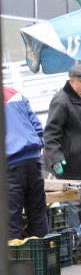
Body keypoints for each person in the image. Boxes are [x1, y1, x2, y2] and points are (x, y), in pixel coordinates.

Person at [43, 63, 81, 221]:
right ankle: (73, 245)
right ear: (72, 81)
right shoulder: (61, 101)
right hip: (67, 171)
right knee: (72, 214)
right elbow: (51, 133)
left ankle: (75, 242)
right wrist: (55, 159)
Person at [5, 84, 49, 239]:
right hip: (33, 161)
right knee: (37, 213)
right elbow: (37, 127)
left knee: (11, 219)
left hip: (10, 165)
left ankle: (15, 258)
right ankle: (42, 258)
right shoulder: (15, 93)